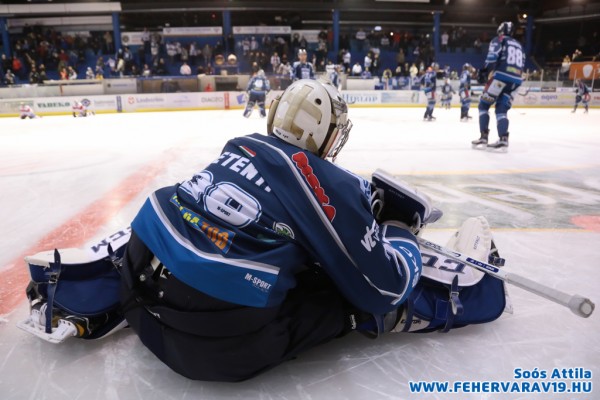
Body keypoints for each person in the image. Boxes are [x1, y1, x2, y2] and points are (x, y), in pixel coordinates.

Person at [18, 79, 508, 382]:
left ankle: (89, 291)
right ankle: (456, 299)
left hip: (140, 302)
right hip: (215, 351)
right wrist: (397, 226)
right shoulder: (326, 181)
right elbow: (384, 285)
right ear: (330, 135)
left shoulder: (240, 145)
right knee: (344, 287)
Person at [472, 21, 524, 150]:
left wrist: (483, 71)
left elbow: (492, 57)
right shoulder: (519, 45)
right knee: (501, 109)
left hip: (500, 78)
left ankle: (484, 137)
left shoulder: (499, 39)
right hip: (516, 81)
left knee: (483, 105)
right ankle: (503, 139)